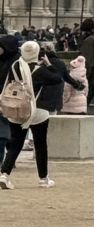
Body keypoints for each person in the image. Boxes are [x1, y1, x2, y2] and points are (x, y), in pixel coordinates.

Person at [0, 39, 61, 188]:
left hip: (17, 108)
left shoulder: (15, 66)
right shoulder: (40, 70)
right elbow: (57, 79)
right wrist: (48, 64)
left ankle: (4, 174)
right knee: (40, 145)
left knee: (15, 144)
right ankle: (43, 178)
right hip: (37, 110)